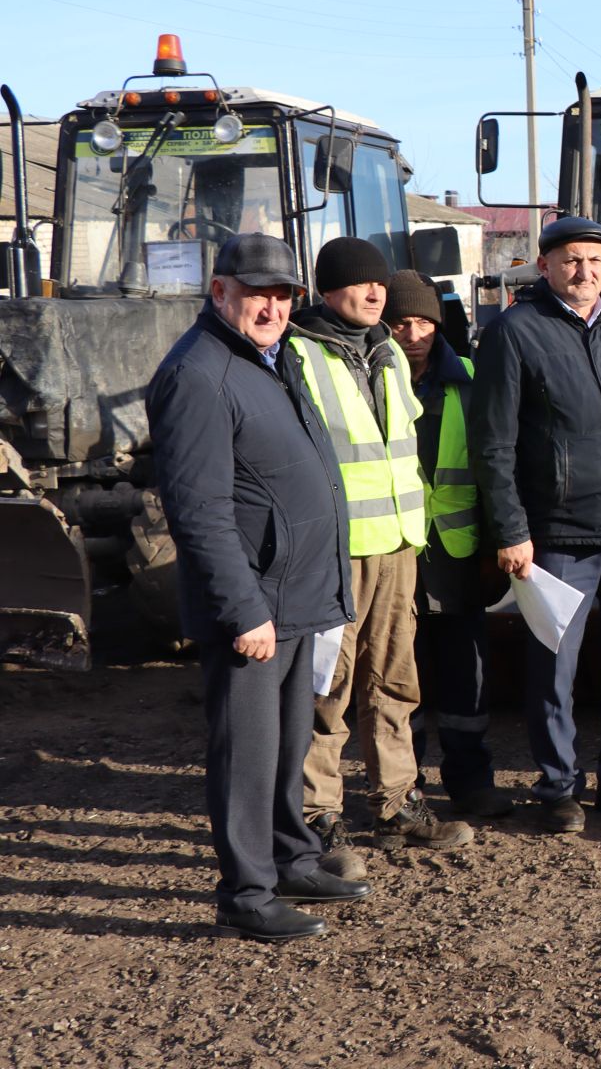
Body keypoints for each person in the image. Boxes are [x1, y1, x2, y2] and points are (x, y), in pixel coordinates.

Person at [147, 233, 366, 941]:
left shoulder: (273, 358)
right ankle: (247, 893)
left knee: (286, 742)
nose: (271, 305)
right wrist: (243, 608)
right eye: (255, 293)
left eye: (282, 294)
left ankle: (292, 855)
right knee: (245, 752)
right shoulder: (199, 375)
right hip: (255, 607)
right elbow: (199, 509)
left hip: (295, 595)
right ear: (219, 293)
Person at [469, 215, 601, 834]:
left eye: (594, 260)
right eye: (569, 261)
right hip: (556, 538)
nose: (583, 271)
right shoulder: (516, 332)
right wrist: (511, 529)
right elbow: (494, 444)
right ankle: (558, 787)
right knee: (553, 670)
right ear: (545, 267)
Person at [289, 239, 473, 865]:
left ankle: (396, 803)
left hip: (397, 545)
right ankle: (317, 819)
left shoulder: (388, 351)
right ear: (326, 289)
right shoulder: (298, 354)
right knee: (326, 691)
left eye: (378, 286)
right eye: (359, 284)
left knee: (394, 683)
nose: (374, 294)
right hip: (332, 554)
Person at [384, 271, 510, 820]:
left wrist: (496, 543)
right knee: (397, 678)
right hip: (393, 554)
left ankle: (470, 782)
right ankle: (403, 785)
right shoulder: (367, 380)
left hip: (457, 558)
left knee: (465, 677)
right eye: (400, 323)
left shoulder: (473, 381)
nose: (413, 334)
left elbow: (494, 467)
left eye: (423, 322)